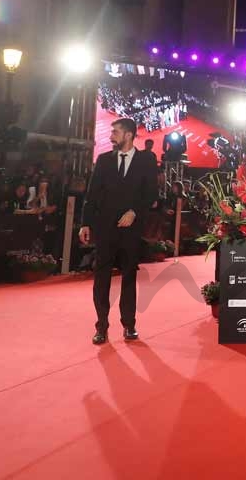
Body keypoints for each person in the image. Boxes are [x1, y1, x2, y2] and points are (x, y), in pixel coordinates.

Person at [78, 118, 158, 345]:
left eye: (116, 132)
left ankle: (129, 324)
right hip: (105, 229)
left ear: (129, 135)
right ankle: (101, 325)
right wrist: (85, 223)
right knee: (101, 278)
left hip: (131, 231)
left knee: (129, 277)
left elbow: (151, 193)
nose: (111, 136)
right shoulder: (103, 160)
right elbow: (91, 195)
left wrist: (134, 211)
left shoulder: (146, 161)